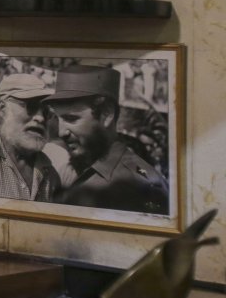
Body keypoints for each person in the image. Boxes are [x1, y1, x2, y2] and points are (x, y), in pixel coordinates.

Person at [42, 65, 169, 214]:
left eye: (71, 118)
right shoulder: (72, 170)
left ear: (106, 114)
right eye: (58, 119)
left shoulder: (136, 186)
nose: (61, 132)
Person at [0, 73, 62, 201]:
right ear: (3, 109)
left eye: (46, 111)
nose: (40, 117)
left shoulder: (51, 175)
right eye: (31, 106)